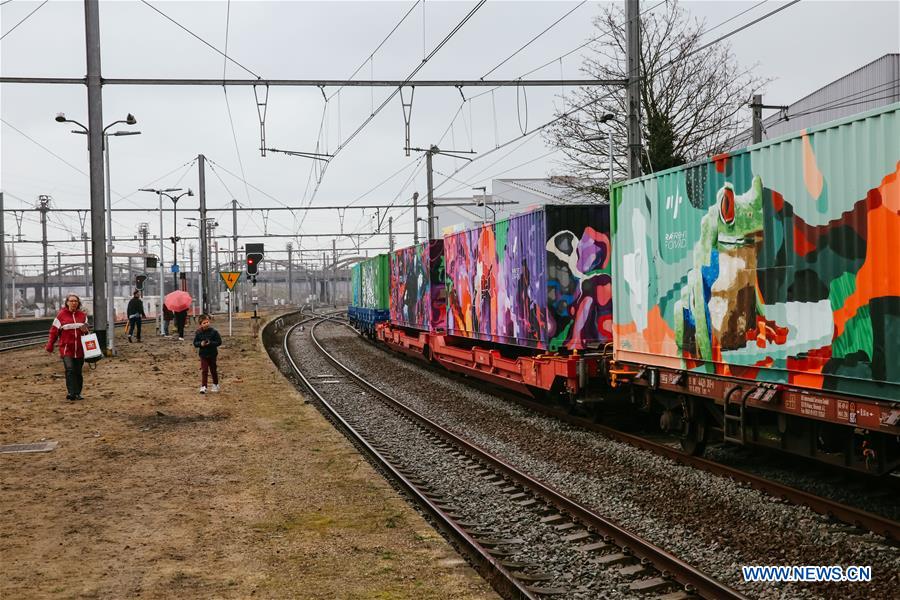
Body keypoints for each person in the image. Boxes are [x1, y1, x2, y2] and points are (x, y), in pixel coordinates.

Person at [45, 294, 90, 401]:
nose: (74, 303)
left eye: (76, 301)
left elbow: (87, 333)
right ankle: (71, 393)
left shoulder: (83, 316)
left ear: (78, 303)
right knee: (70, 369)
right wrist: (50, 345)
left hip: (79, 349)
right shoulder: (61, 316)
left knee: (78, 371)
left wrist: (86, 331)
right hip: (66, 349)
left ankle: (78, 393)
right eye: (71, 301)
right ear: (67, 302)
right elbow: (53, 332)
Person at [192, 314, 222, 394]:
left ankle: (215, 384)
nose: (206, 324)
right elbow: (195, 343)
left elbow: (219, 342)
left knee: (213, 370)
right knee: (204, 370)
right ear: (200, 324)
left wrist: (211, 343)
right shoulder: (198, 332)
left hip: (212, 354)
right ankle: (203, 386)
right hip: (203, 355)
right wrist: (200, 344)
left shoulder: (214, 332)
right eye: (204, 323)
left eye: (207, 322)